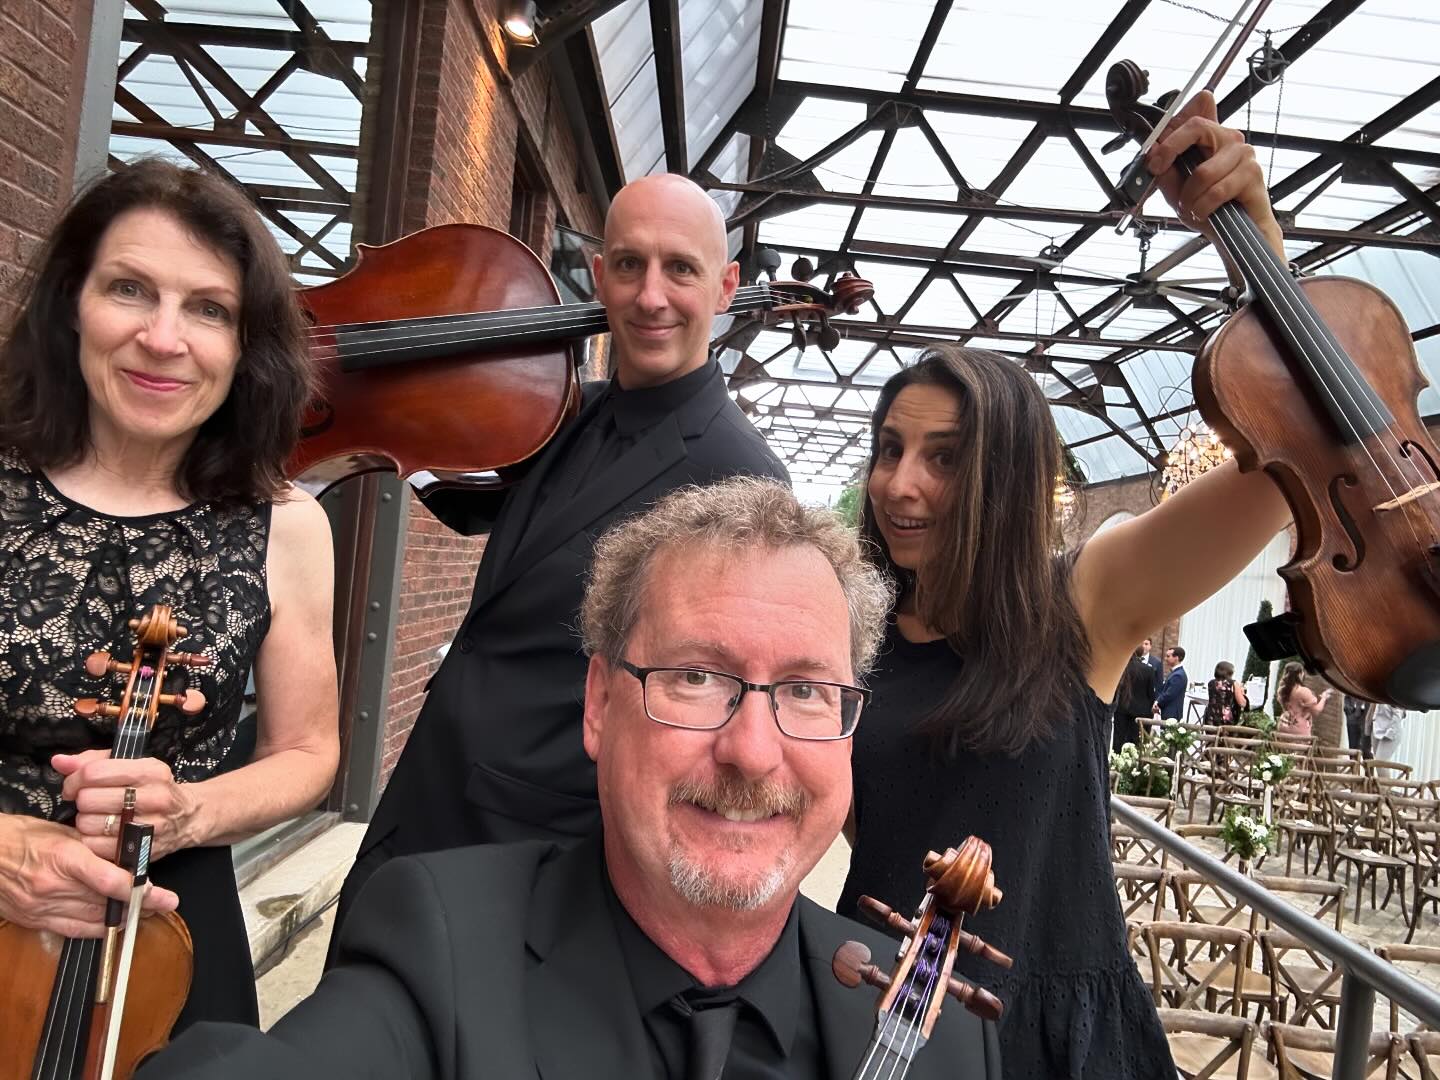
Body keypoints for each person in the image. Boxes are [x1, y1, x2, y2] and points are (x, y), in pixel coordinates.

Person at [139, 478, 1001, 1079]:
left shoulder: (944, 1043)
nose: (752, 752)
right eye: (695, 677)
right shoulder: (439, 951)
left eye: (807, 691)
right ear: (597, 705)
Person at [840, 91, 1294, 1079]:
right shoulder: (848, 632)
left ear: (1005, 478)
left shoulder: (1083, 601)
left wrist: (1253, 237)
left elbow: (1285, 455)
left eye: (946, 458)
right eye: (890, 449)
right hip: (875, 1015)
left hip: (1051, 1039)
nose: (900, 484)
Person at [335, 174, 788, 937]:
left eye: (679, 268)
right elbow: (499, 527)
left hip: (541, 844)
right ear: (599, 272)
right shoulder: (564, 407)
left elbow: (711, 704)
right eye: (627, 264)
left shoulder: (743, 478)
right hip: (426, 796)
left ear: (725, 286)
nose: (649, 297)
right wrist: (395, 428)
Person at [0, 159, 339, 1030]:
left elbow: (308, 750)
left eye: (208, 309)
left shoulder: (288, 525)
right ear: (71, 303)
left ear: (244, 345)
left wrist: (191, 811)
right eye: (129, 290)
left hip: (169, 936)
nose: (163, 337)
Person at [1112, 647, 1154, 752]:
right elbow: (1151, 692)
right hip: (1141, 709)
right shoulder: (1148, 670)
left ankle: (1117, 758)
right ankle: (1135, 760)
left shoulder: (1122, 667)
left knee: (1119, 736)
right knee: (1136, 738)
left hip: (1123, 706)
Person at [1277, 661, 1330, 738]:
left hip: (1283, 725)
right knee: (1299, 749)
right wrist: (1324, 698)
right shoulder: (1302, 691)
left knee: (1284, 749)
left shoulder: (1282, 690)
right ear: (1299, 674)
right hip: (1297, 728)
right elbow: (1316, 711)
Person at [1203, 660, 1247, 726]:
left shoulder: (1211, 683)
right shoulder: (1233, 683)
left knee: (1211, 736)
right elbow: (1242, 703)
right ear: (1230, 672)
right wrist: (1242, 692)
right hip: (1225, 719)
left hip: (1210, 717)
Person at [1154, 646, 1189, 722]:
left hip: (1172, 713)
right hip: (1169, 711)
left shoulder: (1178, 675)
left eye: (1168, 656)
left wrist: (1157, 703)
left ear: (1176, 658)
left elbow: (1169, 694)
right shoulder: (1175, 673)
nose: (1166, 659)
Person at [1343, 693, 1374, 758]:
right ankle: (1353, 767)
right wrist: (1348, 711)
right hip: (1352, 716)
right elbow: (1347, 696)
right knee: (1352, 749)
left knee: (1366, 749)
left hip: (1366, 717)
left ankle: (1369, 767)